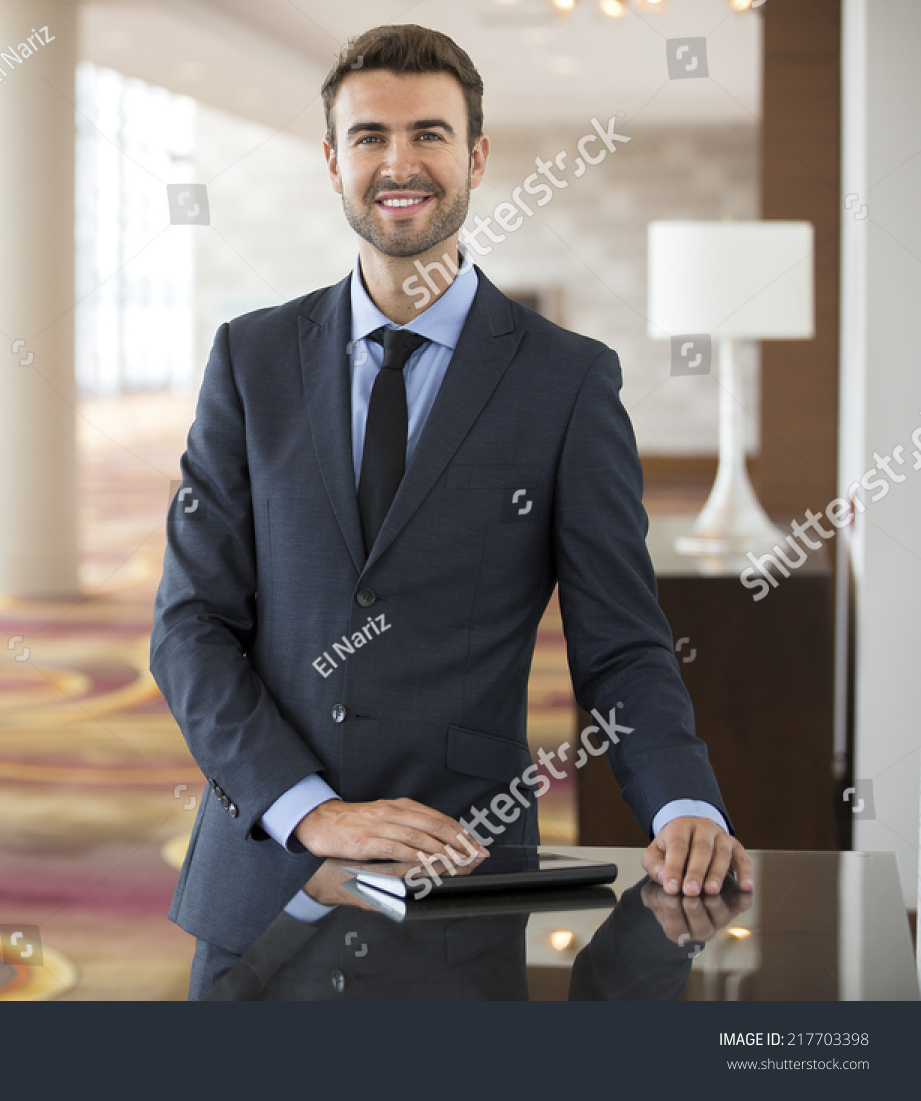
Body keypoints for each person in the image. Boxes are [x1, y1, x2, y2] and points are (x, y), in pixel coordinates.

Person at [148, 23, 754, 1001]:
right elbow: (189, 628)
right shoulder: (250, 361)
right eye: (371, 137)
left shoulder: (566, 382)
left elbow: (623, 645)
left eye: (429, 135)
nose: (399, 163)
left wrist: (682, 801)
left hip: (461, 879)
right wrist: (311, 812)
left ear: (475, 155)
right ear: (334, 161)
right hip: (261, 879)